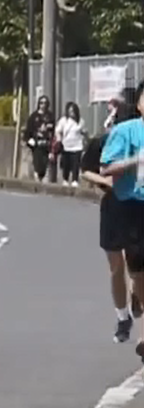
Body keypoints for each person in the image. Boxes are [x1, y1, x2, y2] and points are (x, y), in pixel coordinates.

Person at [80, 88, 143, 343]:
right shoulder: (106, 139)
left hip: (136, 206)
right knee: (116, 267)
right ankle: (122, 315)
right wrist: (108, 182)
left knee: (136, 266)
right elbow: (89, 170)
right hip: (114, 206)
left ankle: (136, 298)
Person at [99, 85, 144, 363]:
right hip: (128, 206)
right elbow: (105, 169)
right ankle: (125, 317)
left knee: (139, 272)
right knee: (126, 269)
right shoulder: (125, 132)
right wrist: (135, 160)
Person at [24, 96, 55, 183]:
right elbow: (28, 132)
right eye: (41, 103)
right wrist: (30, 141)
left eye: (45, 103)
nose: (43, 105)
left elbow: (53, 132)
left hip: (47, 145)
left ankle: (44, 180)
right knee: (37, 165)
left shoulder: (50, 117)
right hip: (36, 146)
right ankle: (37, 178)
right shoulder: (33, 117)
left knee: (46, 166)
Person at [55, 102, 86, 186]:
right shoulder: (64, 120)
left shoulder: (80, 121)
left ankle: (74, 180)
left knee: (76, 164)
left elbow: (82, 132)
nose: (71, 113)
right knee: (66, 164)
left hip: (77, 145)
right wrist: (59, 140)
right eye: (70, 111)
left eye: (73, 111)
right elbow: (58, 130)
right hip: (66, 145)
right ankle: (65, 179)